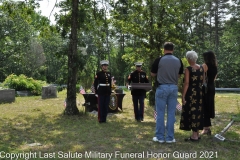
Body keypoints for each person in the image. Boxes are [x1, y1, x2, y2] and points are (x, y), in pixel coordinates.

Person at [151, 42, 183, 143]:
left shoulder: (159, 60)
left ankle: (160, 137)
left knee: (160, 113)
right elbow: (179, 75)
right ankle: (170, 137)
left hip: (162, 87)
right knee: (171, 113)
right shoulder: (178, 60)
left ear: (163, 49)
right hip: (173, 87)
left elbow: (152, 74)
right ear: (173, 49)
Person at [179, 51, 204, 141]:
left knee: (192, 112)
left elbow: (186, 83)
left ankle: (194, 136)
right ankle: (197, 133)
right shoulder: (201, 68)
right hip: (199, 93)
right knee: (198, 112)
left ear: (189, 59)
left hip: (191, 93)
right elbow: (203, 81)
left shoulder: (188, 69)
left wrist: (183, 96)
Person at [201, 51, 218, 135]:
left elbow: (202, 78)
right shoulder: (215, 66)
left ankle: (206, 128)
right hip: (212, 87)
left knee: (204, 107)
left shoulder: (205, 66)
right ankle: (207, 127)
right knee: (209, 106)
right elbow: (214, 78)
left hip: (205, 88)